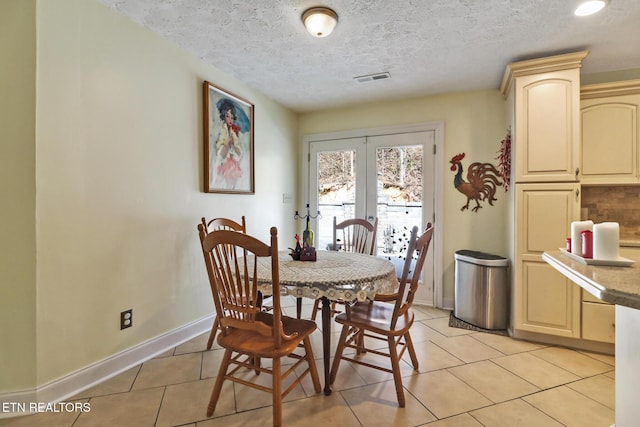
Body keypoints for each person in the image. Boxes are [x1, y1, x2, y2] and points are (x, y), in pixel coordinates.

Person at [214, 99, 243, 189]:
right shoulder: (222, 131)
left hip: (233, 162)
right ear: (223, 117)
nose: (230, 119)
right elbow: (221, 152)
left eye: (232, 117)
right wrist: (227, 144)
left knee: (233, 184)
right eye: (227, 116)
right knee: (226, 183)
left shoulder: (233, 133)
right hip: (226, 162)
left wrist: (233, 145)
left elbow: (239, 152)